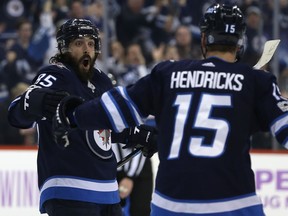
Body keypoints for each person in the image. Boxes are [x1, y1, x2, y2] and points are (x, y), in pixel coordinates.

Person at [52, 4, 288, 215]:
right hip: (234, 203)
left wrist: (73, 114)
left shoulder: (168, 74)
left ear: (204, 40)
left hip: (172, 205)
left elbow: (115, 108)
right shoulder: (256, 81)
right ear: (240, 44)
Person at [7, 18, 156, 216]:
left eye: (91, 43)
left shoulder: (102, 80)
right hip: (69, 190)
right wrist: (38, 102)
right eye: (79, 43)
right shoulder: (56, 74)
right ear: (63, 49)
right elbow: (16, 112)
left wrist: (137, 135)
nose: (86, 49)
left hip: (108, 192)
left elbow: (107, 128)